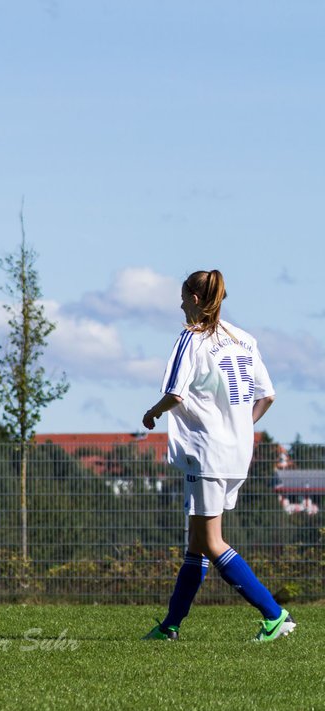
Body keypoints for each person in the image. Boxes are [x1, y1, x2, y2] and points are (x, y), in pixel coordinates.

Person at [141, 269, 293, 642]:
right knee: (197, 542)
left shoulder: (191, 339)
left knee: (211, 542)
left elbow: (176, 394)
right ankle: (170, 626)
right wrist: (240, 425)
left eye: (181, 297)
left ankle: (275, 615)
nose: (179, 304)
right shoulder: (244, 339)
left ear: (194, 299)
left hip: (207, 452)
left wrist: (153, 412)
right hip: (238, 451)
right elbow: (267, 395)